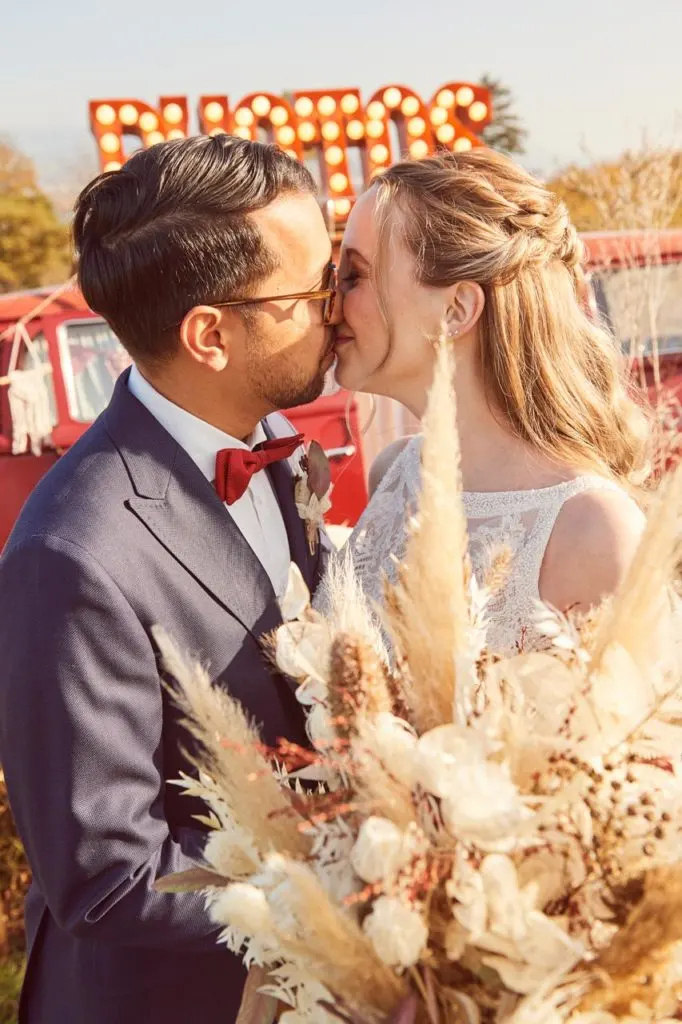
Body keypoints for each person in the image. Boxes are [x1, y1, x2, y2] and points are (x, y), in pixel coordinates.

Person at [0, 135, 337, 1024]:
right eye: (312, 292)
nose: (337, 310)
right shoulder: (72, 556)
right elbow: (111, 879)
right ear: (211, 335)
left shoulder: (276, 451)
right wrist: (355, 897)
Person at [330, 149, 648, 651]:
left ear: (456, 308)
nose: (331, 302)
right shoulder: (393, 473)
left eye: (354, 275)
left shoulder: (593, 530)